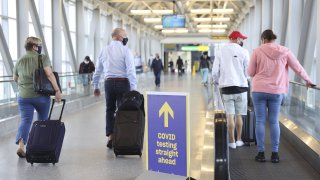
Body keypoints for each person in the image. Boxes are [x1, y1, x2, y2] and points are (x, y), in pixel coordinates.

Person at [248, 29, 315, 163]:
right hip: (277, 91)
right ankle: (275, 154)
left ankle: (261, 154)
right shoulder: (285, 51)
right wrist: (308, 80)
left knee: (260, 121)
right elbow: (297, 67)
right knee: (273, 121)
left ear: (263, 39)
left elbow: (250, 72)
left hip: (259, 90)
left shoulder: (257, 51)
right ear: (274, 39)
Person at [13, 36, 62, 158]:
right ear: (34, 46)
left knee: (25, 120)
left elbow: (15, 78)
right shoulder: (42, 58)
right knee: (42, 121)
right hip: (40, 96)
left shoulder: (19, 60)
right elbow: (49, 74)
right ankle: (40, 145)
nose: (40, 47)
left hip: (23, 96)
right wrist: (57, 90)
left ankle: (21, 145)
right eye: (38, 45)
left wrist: (25, 85)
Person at [92, 28, 137, 149]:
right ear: (120, 37)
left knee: (109, 110)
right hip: (123, 83)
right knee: (122, 110)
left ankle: (111, 136)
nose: (126, 38)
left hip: (109, 83)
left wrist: (95, 86)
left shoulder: (104, 50)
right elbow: (131, 71)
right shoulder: (126, 50)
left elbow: (98, 70)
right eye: (125, 36)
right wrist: (134, 89)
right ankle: (122, 137)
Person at [212, 31, 249, 149]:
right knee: (239, 115)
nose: (242, 41)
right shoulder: (244, 51)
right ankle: (239, 140)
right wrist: (244, 78)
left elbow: (214, 71)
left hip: (226, 87)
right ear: (237, 39)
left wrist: (217, 81)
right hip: (241, 88)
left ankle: (232, 142)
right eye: (241, 39)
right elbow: (247, 72)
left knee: (230, 115)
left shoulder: (221, 51)